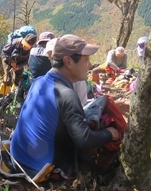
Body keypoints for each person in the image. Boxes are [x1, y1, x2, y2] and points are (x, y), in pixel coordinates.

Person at [10, 34, 120, 180]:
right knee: (100, 126)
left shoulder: (39, 82)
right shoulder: (66, 95)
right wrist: (110, 133)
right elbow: (84, 139)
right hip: (39, 169)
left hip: (17, 158)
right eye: (85, 59)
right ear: (68, 62)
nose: (89, 65)